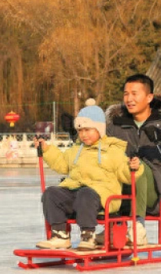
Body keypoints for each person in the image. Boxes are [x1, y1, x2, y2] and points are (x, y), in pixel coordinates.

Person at [35, 99, 142, 250]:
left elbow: (125, 174)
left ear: (100, 129)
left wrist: (134, 168)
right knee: (51, 193)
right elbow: (62, 163)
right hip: (77, 192)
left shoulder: (112, 151)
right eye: (80, 130)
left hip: (103, 196)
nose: (83, 135)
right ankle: (60, 235)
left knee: (86, 193)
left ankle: (88, 235)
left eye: (88, 130)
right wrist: (47, 150)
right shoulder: (76, 149)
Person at [106, 74, 161, 246]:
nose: (129, 99)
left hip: (159, 192)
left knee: (139, 166)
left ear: (149, 97)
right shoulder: (116, 126)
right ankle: (101, 228)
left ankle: (138, 226)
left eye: (134, 93)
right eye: (126, 94)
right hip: (126, 190)